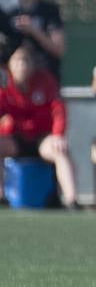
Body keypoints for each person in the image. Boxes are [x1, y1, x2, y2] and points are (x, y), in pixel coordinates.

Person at [0, 44, 77, 208]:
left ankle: (72, 200)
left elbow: (58, 110)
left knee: (60, 151)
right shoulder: (4, 84)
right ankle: (1, 197)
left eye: (26, 61)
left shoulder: (45, 81)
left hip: (41, 139)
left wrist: (58, 134)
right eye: (18, 61)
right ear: (10, 64)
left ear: (33, 64)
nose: (22, 66)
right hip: (14, 139)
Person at [3, 0, 65, 80]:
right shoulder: (10, 14)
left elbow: (58, 49)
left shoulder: (49, 12)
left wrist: (34, 31)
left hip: (45, 77)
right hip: (17, 82)